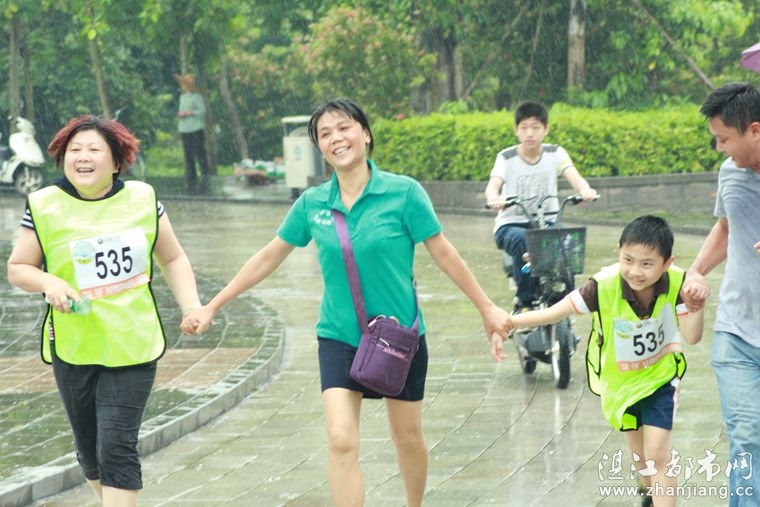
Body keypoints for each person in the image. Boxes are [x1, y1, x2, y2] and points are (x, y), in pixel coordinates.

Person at [181, 98, 511, 507]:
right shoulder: (313, 204)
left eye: (344, 127)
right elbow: (268, 257)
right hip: (339, 336)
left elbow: (444, 254)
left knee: (407, 438)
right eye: (325, 133)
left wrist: (486, 308)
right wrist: (212, 306)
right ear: (320, 148)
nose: (336, 138)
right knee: (340, 440)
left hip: (399, 339)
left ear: (365, 134)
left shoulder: (404, 193)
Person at [6, 115, 202, 507]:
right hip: (75, 345)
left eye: (94, 149)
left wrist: (191, 305)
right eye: (74, 150)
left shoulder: (142, 199)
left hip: (132, 342)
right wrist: (49, 282)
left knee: (116, 446)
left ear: (116, 161)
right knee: (90, 452)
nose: (82, 157)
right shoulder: (43, 204)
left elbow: (173, 258)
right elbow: (18, 268)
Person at [491, 215, 704, 507]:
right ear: (619, 253)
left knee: (657, 454)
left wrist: (696, 306)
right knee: (640, 458)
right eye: (628, 260)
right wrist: (508, 323)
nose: (635, 271)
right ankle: (647, 493)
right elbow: (555, 312)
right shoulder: (602, 286)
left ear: (667, 263)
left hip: (660, 379)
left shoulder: (679, 283)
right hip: (620, 384)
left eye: (647, 264)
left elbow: (692, 336)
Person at [681, 82, 760, 505]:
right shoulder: (730, 172)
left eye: (724, 139)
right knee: (746, 435)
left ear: (755, 130)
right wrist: (695, 271)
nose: (719, 148)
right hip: (737, 332)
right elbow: (726, 229)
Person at [483, 100, 598, 311]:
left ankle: (564, 299)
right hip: (510, 225)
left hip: (546, 223)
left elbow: (573, 175)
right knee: (524, 240)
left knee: (567, 241)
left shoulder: (555, 153)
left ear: (546, 129)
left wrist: (585, 190)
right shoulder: (506, 158)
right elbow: (493, 185)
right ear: (516, 130)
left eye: (535, 127)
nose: (530, 133)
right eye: (524, 127)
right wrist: (494, 198)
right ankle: (526, 301)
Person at [175, 73, 210, 194]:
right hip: (185, 129)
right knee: (188, 154)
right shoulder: (182, 97)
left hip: (196, 129)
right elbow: (180, 111)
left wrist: (190, 113)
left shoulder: (196, 97)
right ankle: (191, 176)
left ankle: (206, 175)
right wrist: (181, 114)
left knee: (200, 152)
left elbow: (202, 111)